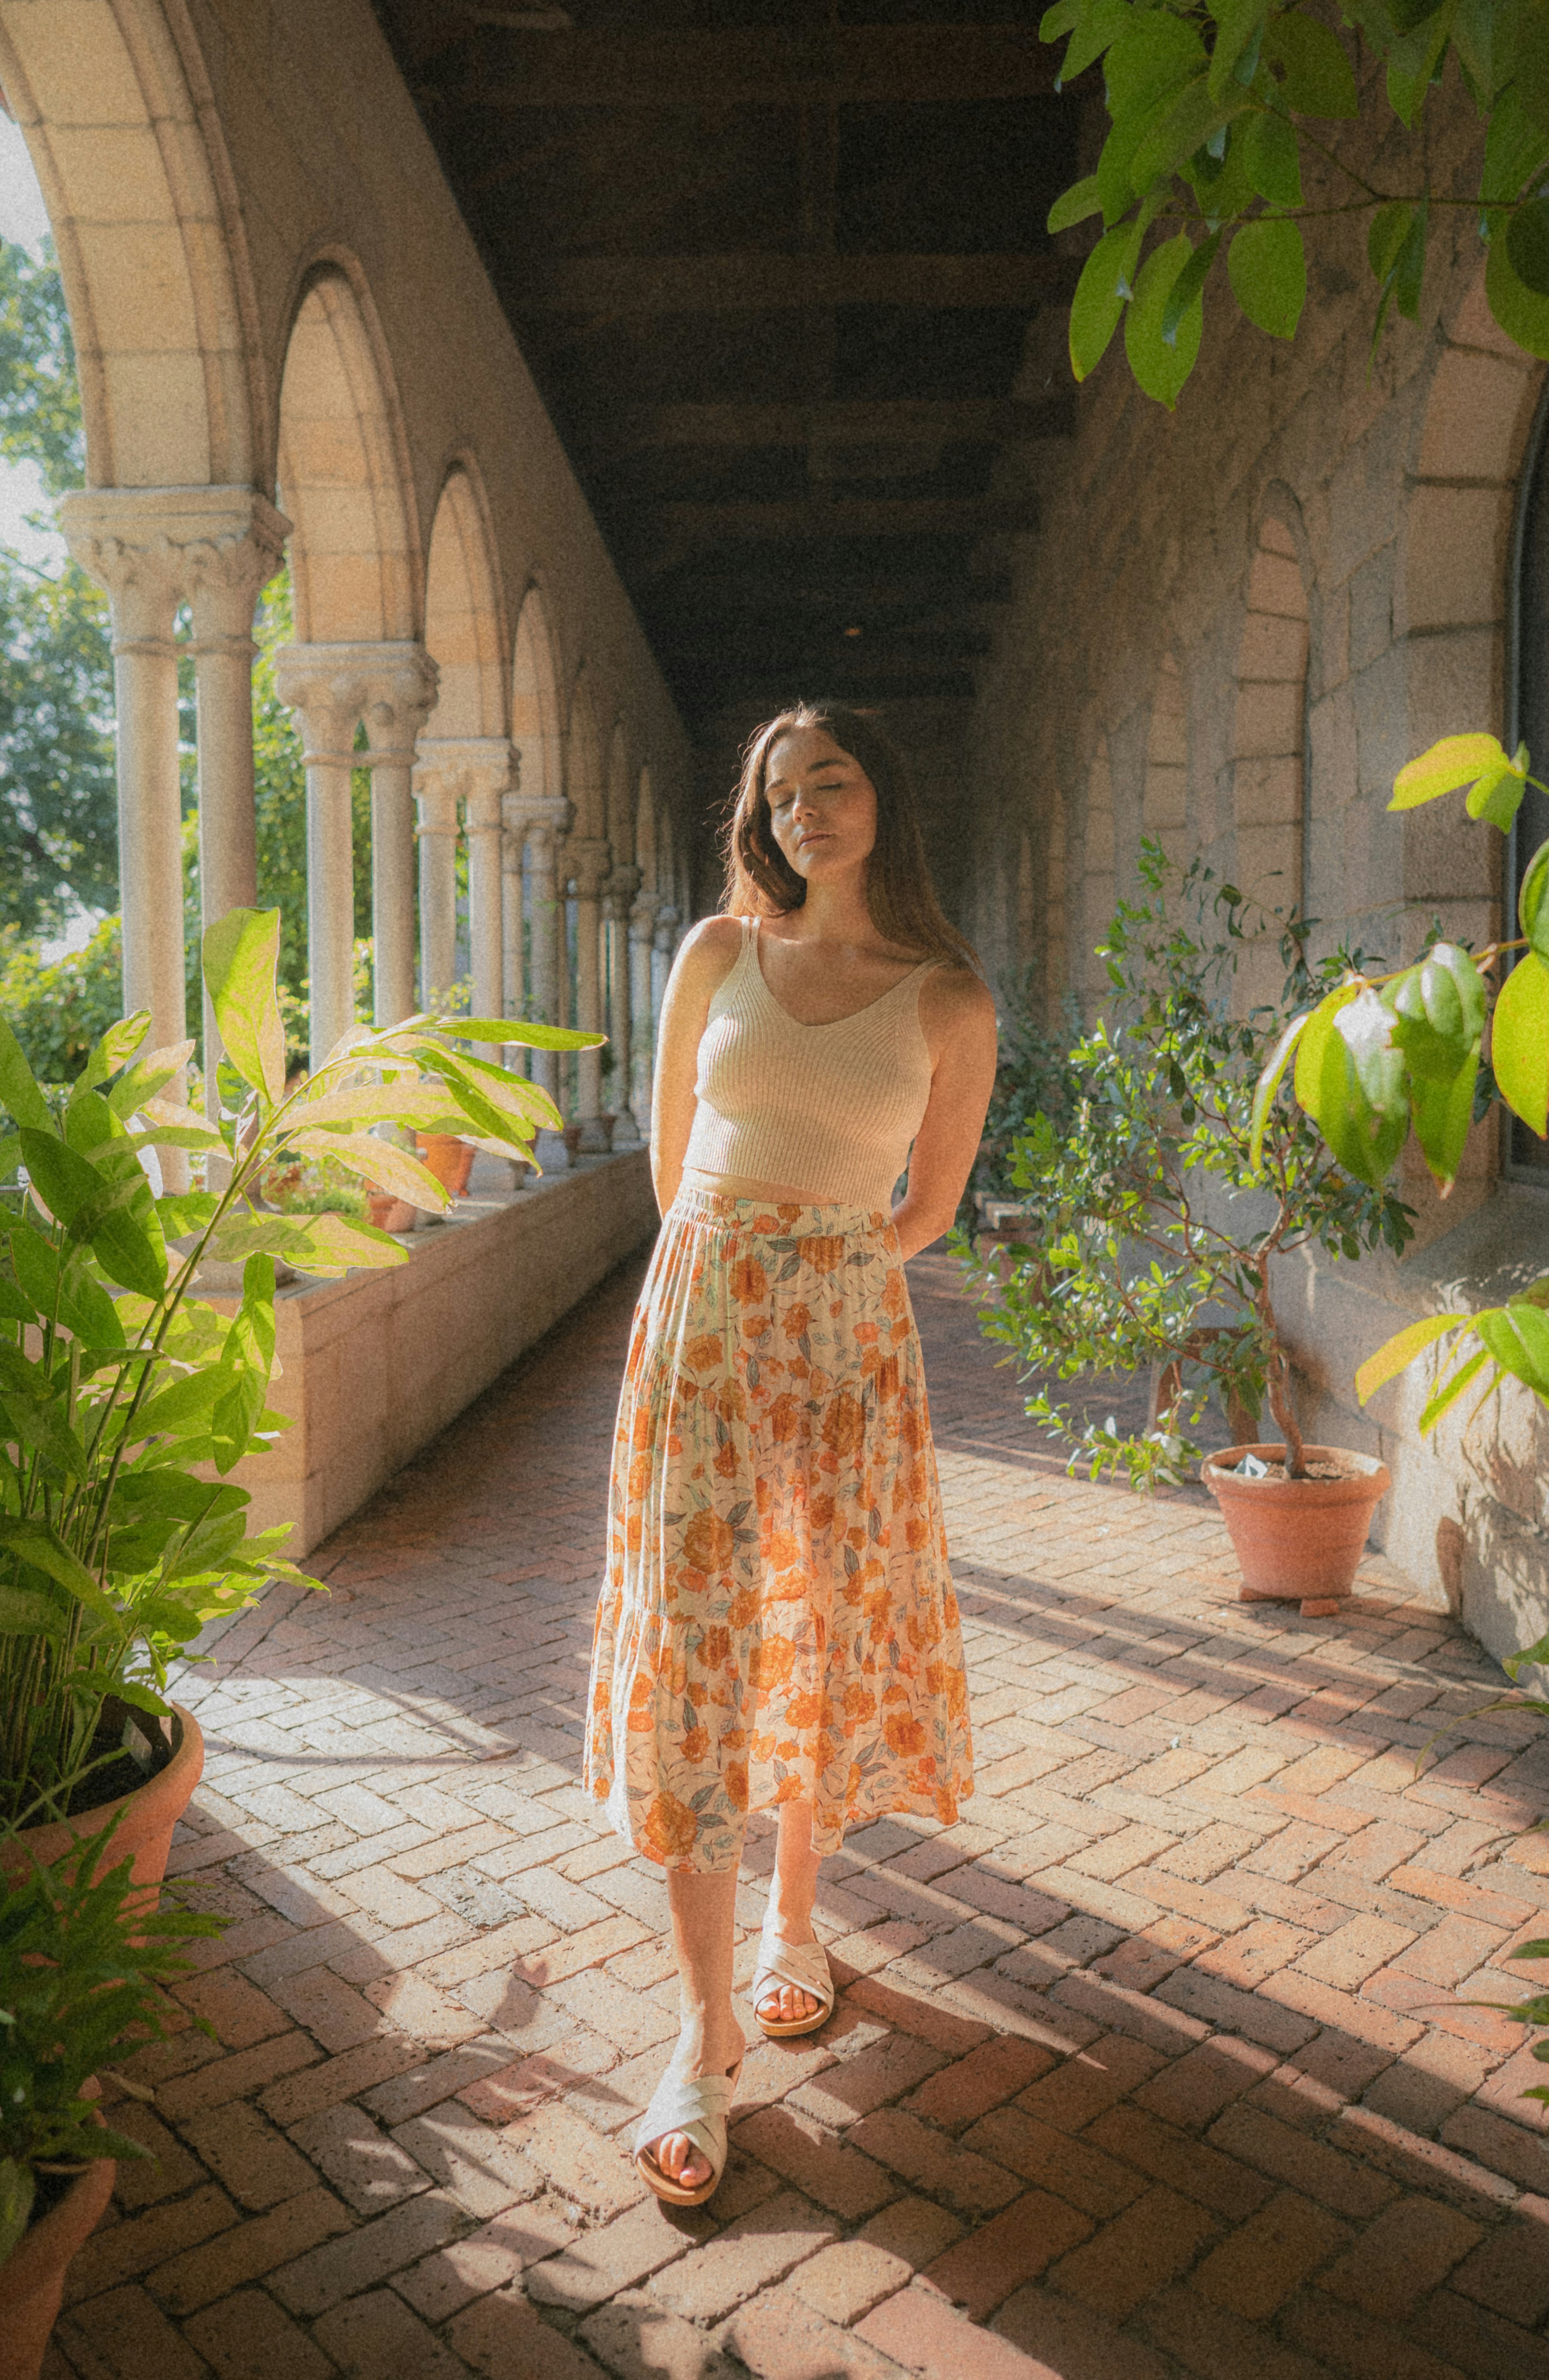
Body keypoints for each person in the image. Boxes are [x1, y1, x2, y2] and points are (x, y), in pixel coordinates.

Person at [584, 701, 998, 2207]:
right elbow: (666, 1145)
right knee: (695, 1644)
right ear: (760, 818)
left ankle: (795, 1926)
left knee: (813, 1627)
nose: (804, 807)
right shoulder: (715, 952)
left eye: (830, 779)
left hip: (843, 1337)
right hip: (699, 1323)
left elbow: (931, 1204)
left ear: (883, 795)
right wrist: (729, 1261)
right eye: (779, 788)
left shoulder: (946, 997)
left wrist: (826, 1262)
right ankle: (699, 2033)